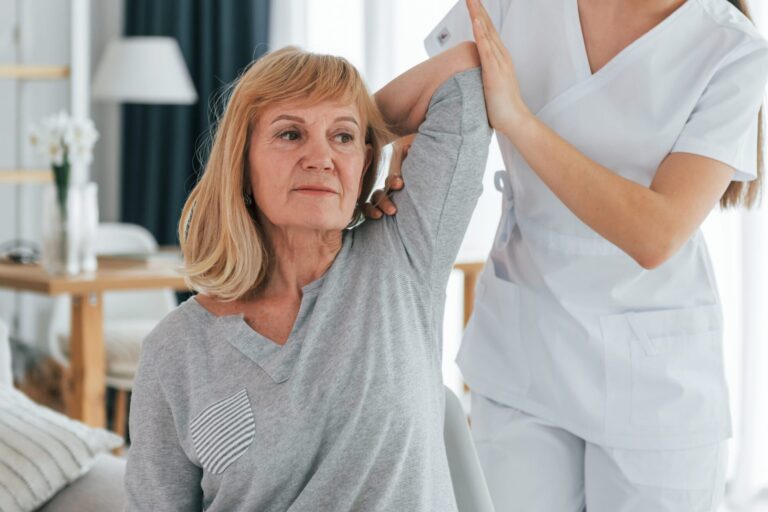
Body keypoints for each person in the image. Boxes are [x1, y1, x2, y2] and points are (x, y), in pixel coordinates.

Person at [369, 0, 768, 509]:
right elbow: (425, 94)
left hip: (653, 371)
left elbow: (657, 233)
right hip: (524, 346)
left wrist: (517, 119)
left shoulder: (730, 47)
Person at [123, 42, 492, 511]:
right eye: (290, 135)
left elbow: (465, 70)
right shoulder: (176, 351)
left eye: (342, 137)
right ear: (242, 163)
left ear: (363, 164)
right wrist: (346, 127)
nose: (320, 158)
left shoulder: (404, 255)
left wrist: (367, 128)